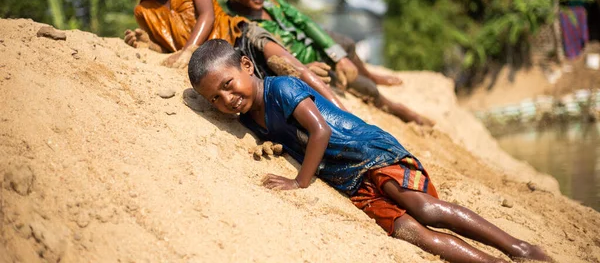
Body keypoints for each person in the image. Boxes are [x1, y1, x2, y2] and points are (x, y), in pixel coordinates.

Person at [188, 39, 551, 263]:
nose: (226, 99)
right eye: (214, 98)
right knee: (412, 233)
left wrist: (300, 182)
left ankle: (520, 248)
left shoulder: (280, 88)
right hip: (346, 179)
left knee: (423, 208)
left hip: (367, 151)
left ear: (247, 67)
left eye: (228, 85)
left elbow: (320, 130)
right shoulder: (248, 117)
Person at [124, 0, 344, 109]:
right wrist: (146, 43)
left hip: (239, 34)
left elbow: (207, 16)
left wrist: (190, 49)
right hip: (222, 63)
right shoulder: (144, 10)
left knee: (287, 64)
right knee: (263, 82)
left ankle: (340, 107)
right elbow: (167, 47)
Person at [220, 0, 434, 125]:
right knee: (366, 89)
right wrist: (300, 71)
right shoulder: (237, 25)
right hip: (308, 67)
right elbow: (259, 65)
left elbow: (304, 21)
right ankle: (398, 109)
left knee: (346, 44)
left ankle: (370, 73)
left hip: (314, 49)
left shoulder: (272, 0)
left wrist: (337, 56)